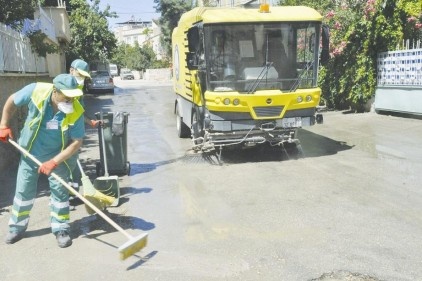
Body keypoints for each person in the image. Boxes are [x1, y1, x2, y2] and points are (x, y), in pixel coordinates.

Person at [0, 74, 85, 248]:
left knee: (60, 194)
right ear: (55, 91)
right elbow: (11, 101)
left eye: (73, 96)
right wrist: (4, 124)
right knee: (23, 192)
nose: (70, 99)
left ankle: (61, 228)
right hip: (30, 153)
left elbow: (77, 142)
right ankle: (17, 227)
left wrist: (54, 162)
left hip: (57, 157)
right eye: (66, 96)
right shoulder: (36, 90)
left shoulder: (75, 109)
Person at [69, 59, 100, 128]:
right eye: (80, 74)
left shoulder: (79, 89)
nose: (82, 78)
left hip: (74, 125)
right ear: (71, 71)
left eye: (83, 76)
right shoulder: (61, 87)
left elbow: (78, 112)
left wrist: (91, 122)